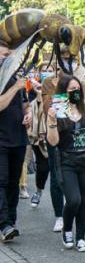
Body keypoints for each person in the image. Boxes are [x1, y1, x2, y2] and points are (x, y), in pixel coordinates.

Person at [45, 76, 85, 252]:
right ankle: (67, 229)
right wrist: (51, 122)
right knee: (74, 200)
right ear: (63, 93)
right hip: (67, 162)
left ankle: (80, 237)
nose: (75, 92)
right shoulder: (59, 112)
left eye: (77, 89)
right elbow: (53, 142)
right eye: (71, 90)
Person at [0, 43, 32, 241]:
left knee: (13, 182)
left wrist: (28, 114)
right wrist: (16, 87)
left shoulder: (14, 78)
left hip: (18, 138)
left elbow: (25, 104)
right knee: (1, 182)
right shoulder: (9, 81)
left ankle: (10, 222)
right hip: (1, 140)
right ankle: (3, 224)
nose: (8, 58)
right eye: (5, 54)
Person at [28, 70, 65, 231]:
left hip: (68, 134)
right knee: (46, 169)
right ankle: (39, 192)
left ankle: (83, 215)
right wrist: (55, 91)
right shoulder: (48, 82)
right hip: (45, 133)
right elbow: (47, 108)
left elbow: (80, 105)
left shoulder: (78, 81)